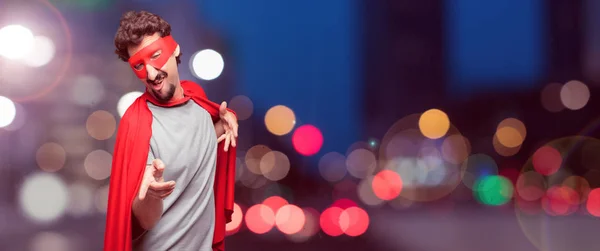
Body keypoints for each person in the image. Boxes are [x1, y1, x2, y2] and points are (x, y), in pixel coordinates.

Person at [103, 10, 238, 251]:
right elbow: (142, 219)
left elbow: (195, 144)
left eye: (156, 56)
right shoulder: (138, 123)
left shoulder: (200, 107)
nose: (152, 74)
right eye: (139, 66)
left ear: (174, 49)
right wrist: (150, 196)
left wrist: (224, 122)